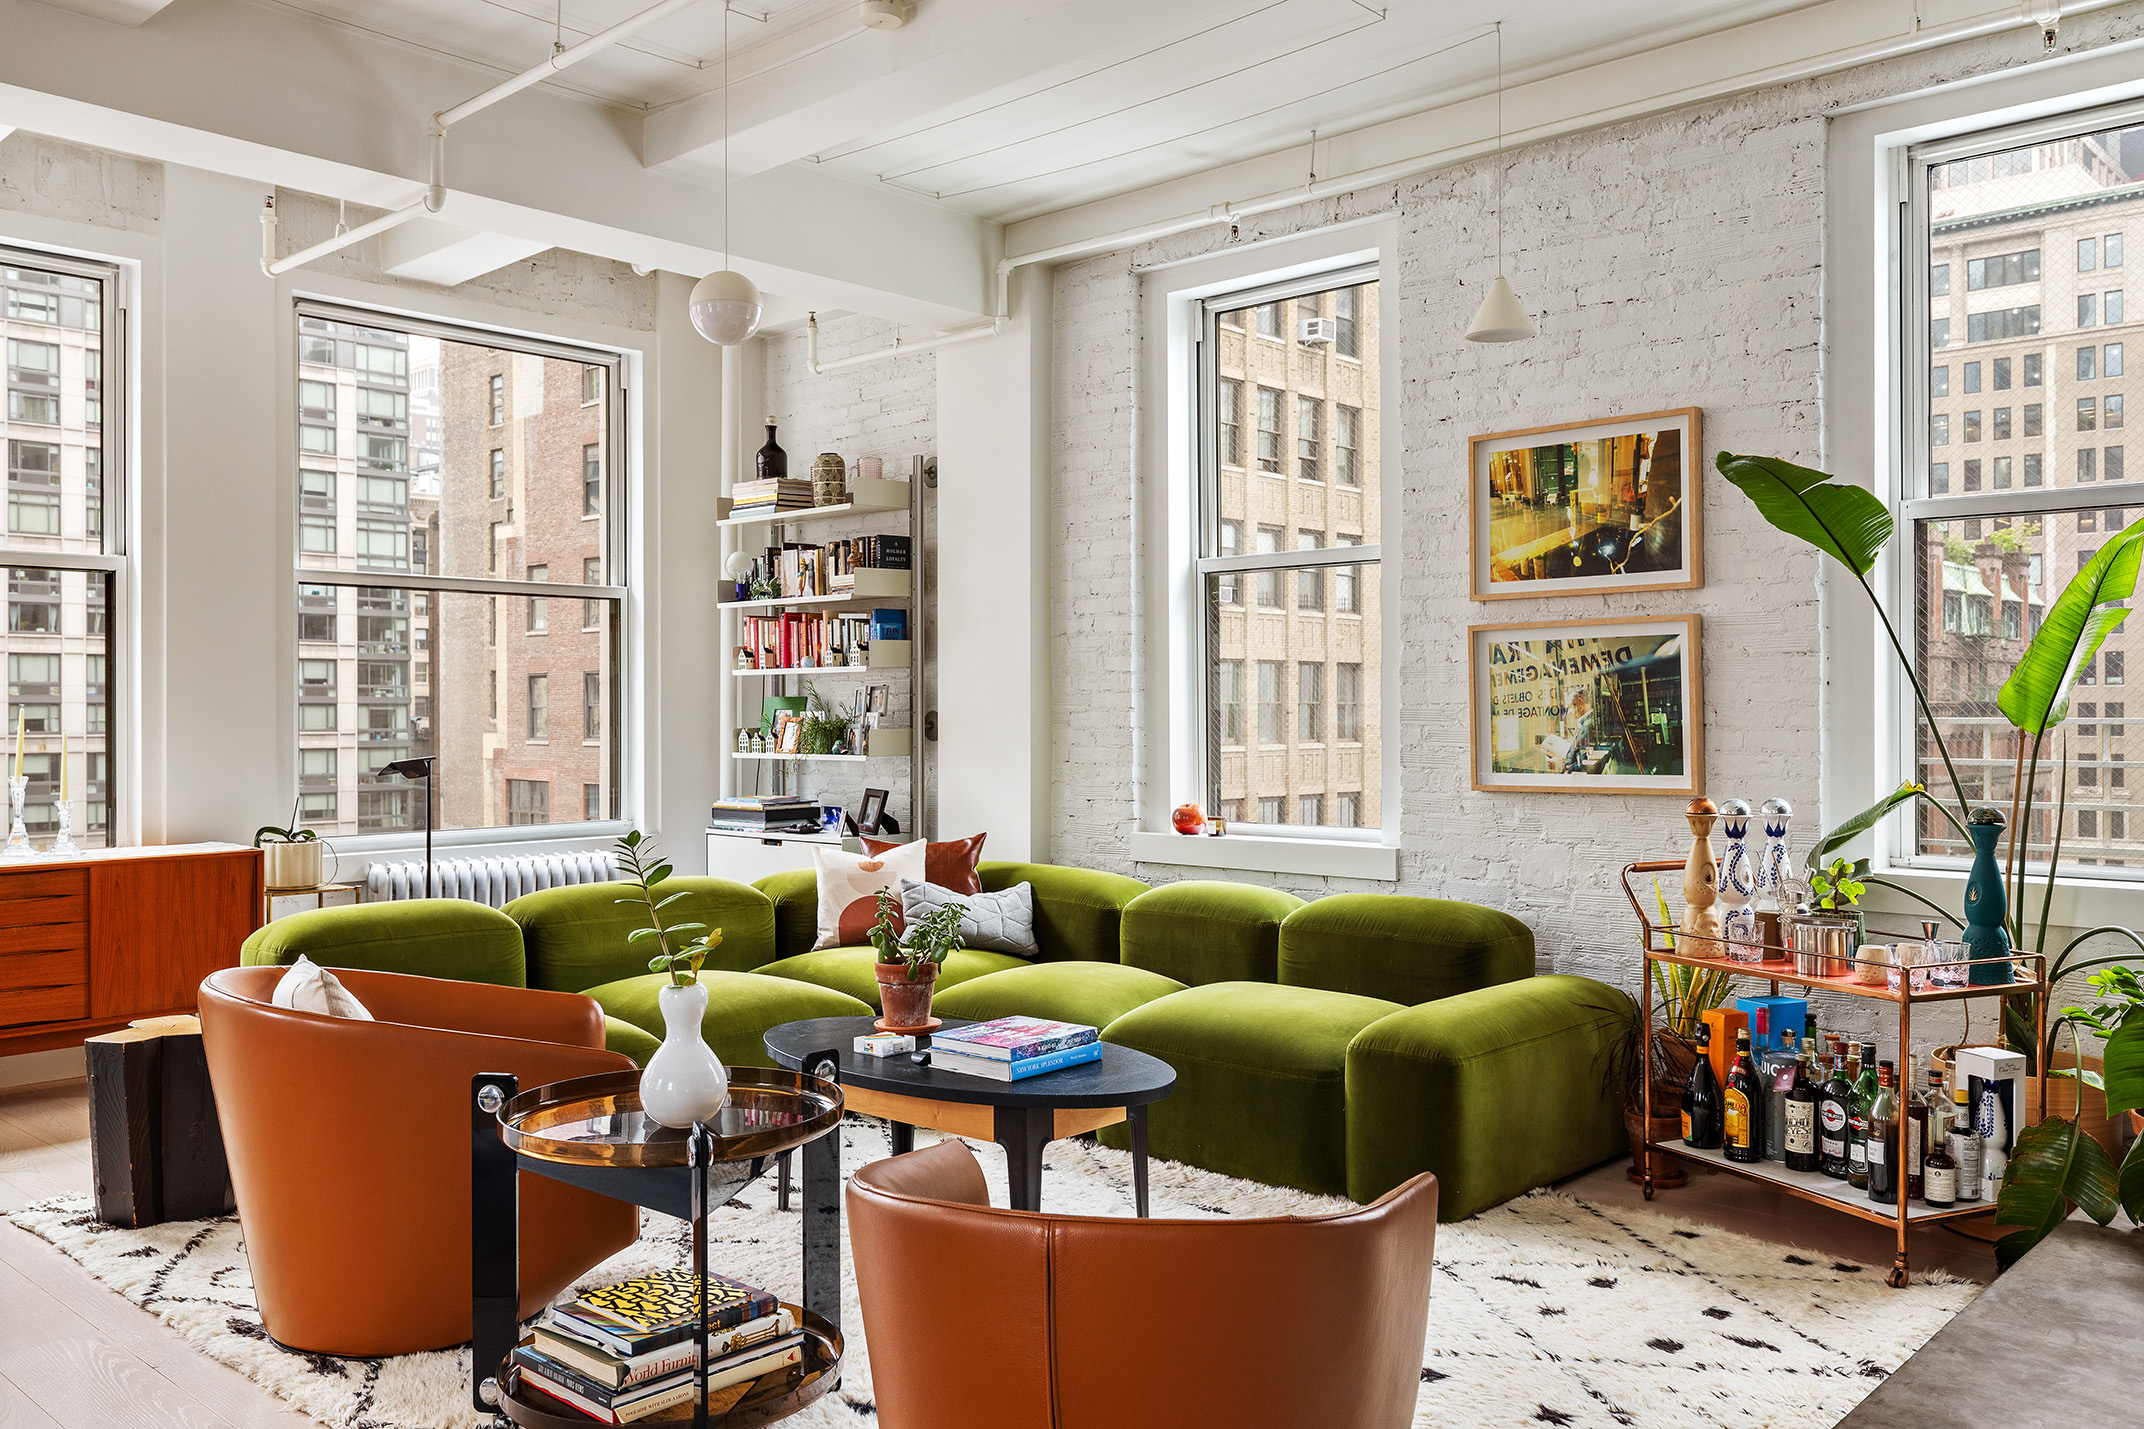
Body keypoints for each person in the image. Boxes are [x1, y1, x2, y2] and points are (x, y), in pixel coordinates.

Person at [1562, 687, 1600, 772]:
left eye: (1570, 707)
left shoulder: (1587, 726)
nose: (1569, 713)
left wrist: (1568, 767)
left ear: (1580, 702)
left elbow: (1585, 762)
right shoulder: (1589, 722)